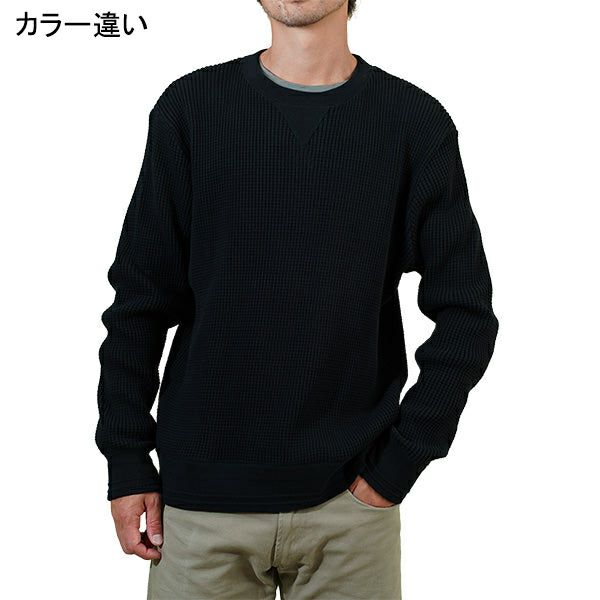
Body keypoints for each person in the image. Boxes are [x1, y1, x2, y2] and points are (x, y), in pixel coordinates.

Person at [95, 1, 499, 598]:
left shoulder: (413, 123)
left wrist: (399, 464)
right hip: (199, 505)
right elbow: (140, 301)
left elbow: (466, 314)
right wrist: (127, 458)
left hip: (350, 509)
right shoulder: (192, 109)